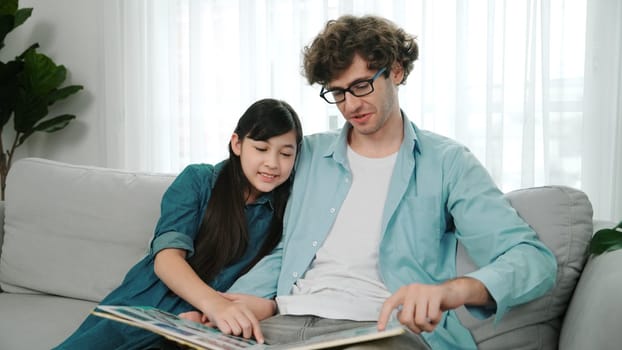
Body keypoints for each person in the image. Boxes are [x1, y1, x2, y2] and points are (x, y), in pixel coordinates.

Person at [223, 15, 557, 349]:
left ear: (395, 71)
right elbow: (282, 247)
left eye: (361, 85)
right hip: (283, 323)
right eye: (338, 93)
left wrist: (451, 291)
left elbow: (531, 258)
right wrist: (220, 306)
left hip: (377, 329)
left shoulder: (446, 163)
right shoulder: (307, 153)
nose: (350, 105)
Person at [53, 98, 303, 349]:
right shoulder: (198, 181)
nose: (272, 163)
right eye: (261, 149)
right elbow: (167, 258)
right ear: (237, 144)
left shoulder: (288, 209)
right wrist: (216, 306)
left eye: (285, 154)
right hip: (146, 305)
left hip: (201, 326)